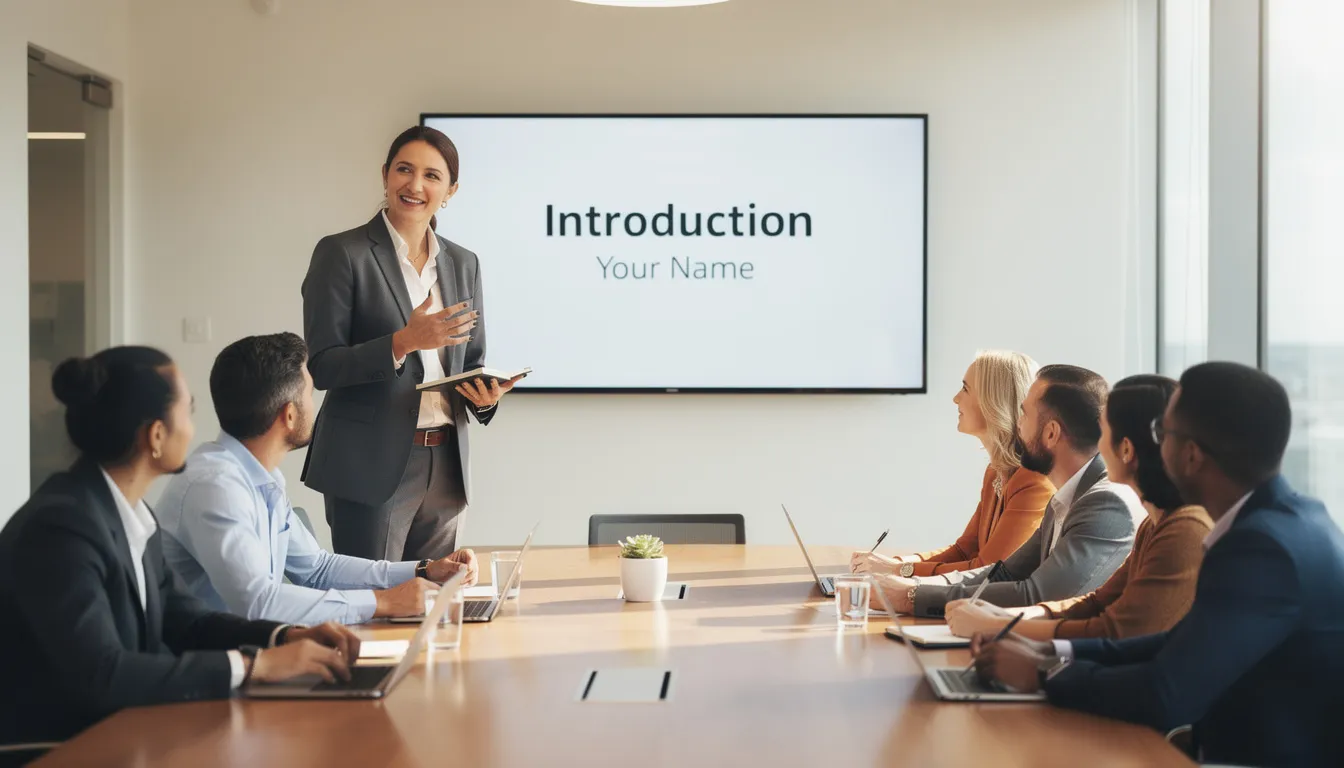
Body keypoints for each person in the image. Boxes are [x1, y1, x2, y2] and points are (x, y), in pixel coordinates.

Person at [970, 362, 1344, 767]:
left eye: (1162, 434)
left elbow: (1165, 693)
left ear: (1190, 454)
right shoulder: (1290, 520)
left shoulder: (1260, 547)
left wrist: (1044, 673)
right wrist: (1048, 650)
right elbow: (1177, 645)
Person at [0, 347, 362, 745]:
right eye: (187, 409)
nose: (193, 427)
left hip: (120, 731)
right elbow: (103, 674)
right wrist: (253, 666)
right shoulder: (62, 528)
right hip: (58, 747)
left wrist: (283, 638)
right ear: (155, 435)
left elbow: (188, 621)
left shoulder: (130, 514)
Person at [302, 125, 521, 561]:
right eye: (404, 169)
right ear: (385, 175)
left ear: (451, 190)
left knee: (434, 604)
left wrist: (484, 397)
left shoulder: (463, 262)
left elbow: (470, 360)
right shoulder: (342, 253)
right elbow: (323, 366)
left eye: (432, 175)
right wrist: (402, 342)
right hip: (371, 464)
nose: (415, 185)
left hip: (446, 465)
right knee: (375, 607)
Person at [157, 333, 481, 626]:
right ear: (289, 415)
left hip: (246, 651)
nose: (315, 405)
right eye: (310, 394)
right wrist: (380, 602)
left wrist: (424, 569)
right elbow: (257, 603)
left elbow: (316, 569)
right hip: (205, 671)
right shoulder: (215, 486)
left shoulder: (259, 475)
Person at [946, 375, 1212, 640]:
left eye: (1103, 430)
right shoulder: (1154, 524)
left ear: (1127, 450)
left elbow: (1115, 631)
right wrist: (999, 619)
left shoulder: (1183, 529)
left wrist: (998, 627)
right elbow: (1096, 603)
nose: (1094, 441)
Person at [873, 365, 1144, 616]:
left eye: (1024, 414)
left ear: (1051, 433)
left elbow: (1036, 594)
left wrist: (910, 596)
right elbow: (1002, 574)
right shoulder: (1066, 496)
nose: (1017, 424)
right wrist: (913, 585)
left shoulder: (1105, 503)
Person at [852, 351, 1053, 578]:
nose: (956, 398)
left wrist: (899, 570)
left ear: (993, 401)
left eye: (965, 389)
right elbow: (964, 550)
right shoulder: (995, 473)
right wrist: (893, 563)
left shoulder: (1034, 482)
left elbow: (986, 570)